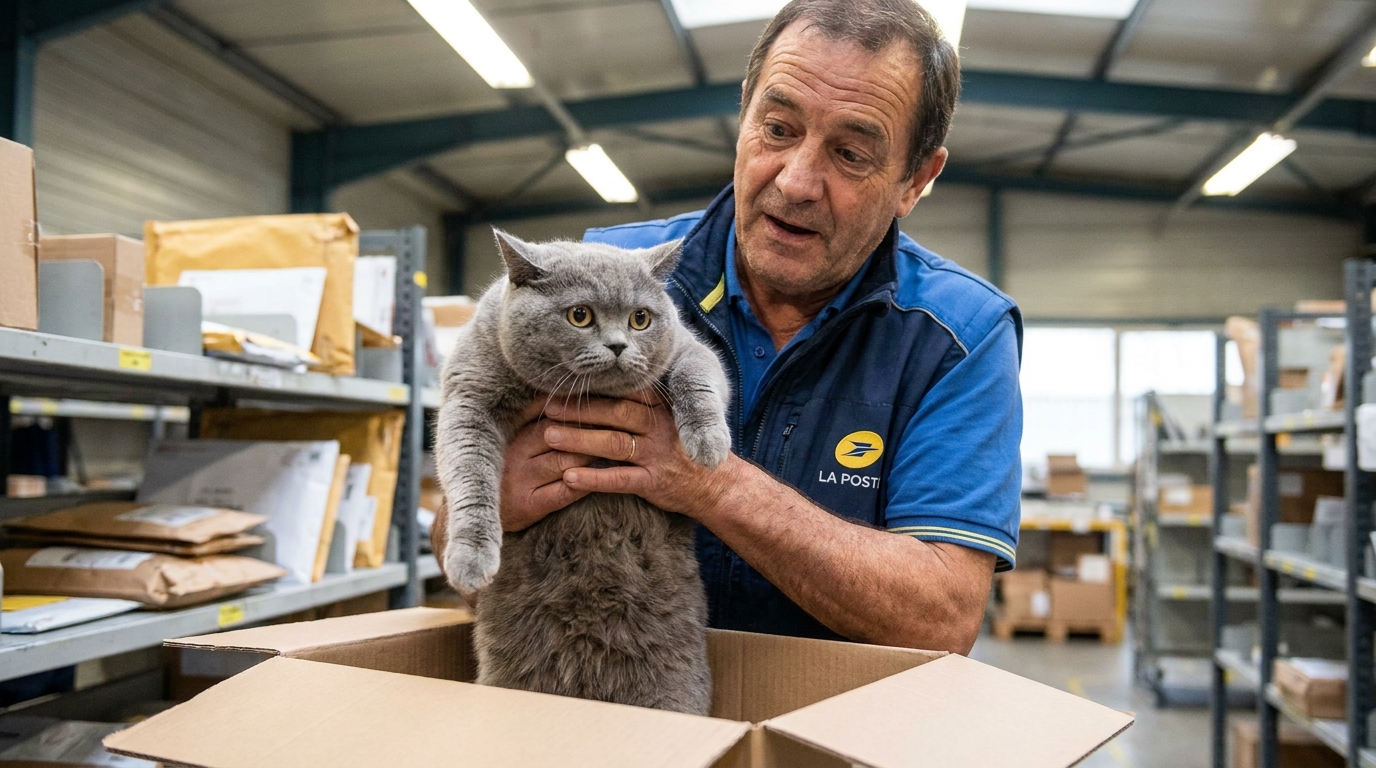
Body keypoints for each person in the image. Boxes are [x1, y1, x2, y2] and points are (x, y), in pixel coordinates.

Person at [433, 0, 1022, 655]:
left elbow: (940, 620)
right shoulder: (612, 274)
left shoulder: (958, 335)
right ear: (743, 114)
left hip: (837, 711)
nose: (796, 182)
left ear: (916, 180)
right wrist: (496, 505)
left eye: (851, 154)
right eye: (777, 128)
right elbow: (456, 549)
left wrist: (714, 485)